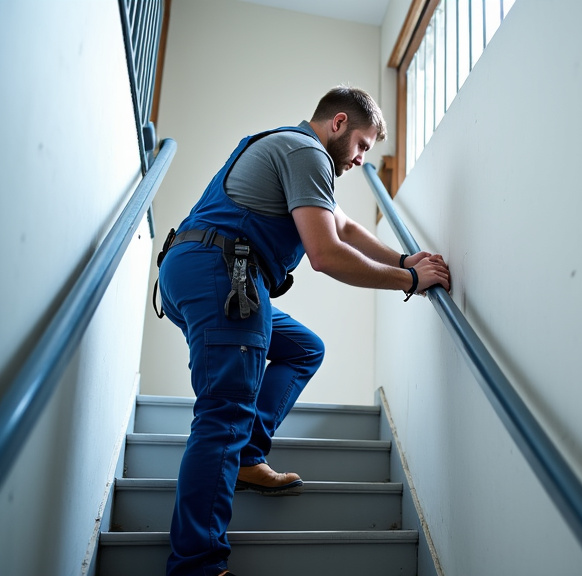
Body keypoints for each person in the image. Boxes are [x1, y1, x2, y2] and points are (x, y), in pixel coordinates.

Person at [155, 86, 450, 576]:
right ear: (338, 123)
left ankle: (248, 457)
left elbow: (345, 228)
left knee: (303, 348)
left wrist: (402, 258)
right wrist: (411, 281)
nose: (359, 159)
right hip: (221, 272)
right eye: (361, 145)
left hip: (206, 271)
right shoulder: (307, 153)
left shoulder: (289, 148)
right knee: (223, 415)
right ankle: (196, 565)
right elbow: (326, 254)